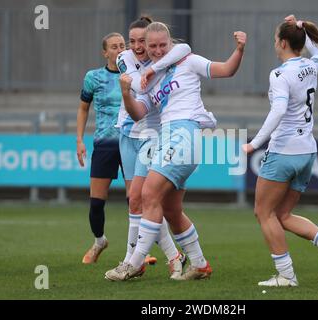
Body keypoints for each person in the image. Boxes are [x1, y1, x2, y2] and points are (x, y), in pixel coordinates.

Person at [117, 21, 246, 281]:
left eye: (162, 45)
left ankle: (134, 263)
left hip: (183, 134)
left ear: (170, 42)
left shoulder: (187, 61)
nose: (156, 50)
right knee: (171, 209)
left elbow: (226, 70)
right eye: (151, 46)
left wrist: (239, 50)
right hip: (168, 137)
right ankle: (199, 264)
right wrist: (126, 94)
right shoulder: (149, 81)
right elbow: (138, 113)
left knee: (148, 193)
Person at [242, 15, 318, 287]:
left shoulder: (280, 74)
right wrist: (303, 25)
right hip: (307, 152)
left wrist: (254, 143)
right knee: (282, 215)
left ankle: (286, 276)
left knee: (263, 213)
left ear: (282, 43)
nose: (274, 44)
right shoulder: (310, 65)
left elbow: (279, 110)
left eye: (274, 40)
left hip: (284, 152)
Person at [105, 16, 193, 280]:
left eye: (141, 41)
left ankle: (133, 259)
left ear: (154, 41)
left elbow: (185, 48)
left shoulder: (162, 60)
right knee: (137, 200)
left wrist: (156, 67)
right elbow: (135, 83)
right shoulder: (127, 59)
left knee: (141, 199)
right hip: (128, 132)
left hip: (153, 135)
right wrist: (151, 71)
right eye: (131, 41)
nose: (136, 46)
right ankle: (172, 256)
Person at [77, 32, 127, 264]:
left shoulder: (135, 74)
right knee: (96, 203)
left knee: (136, 200)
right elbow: (83, 108)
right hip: (105, 144)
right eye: (114, 47)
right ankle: (99, 241)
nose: (119, 49)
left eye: (122, 45)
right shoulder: (93, 77)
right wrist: (79, 140)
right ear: (105, 52)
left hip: (132, 143)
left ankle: (139, 250)